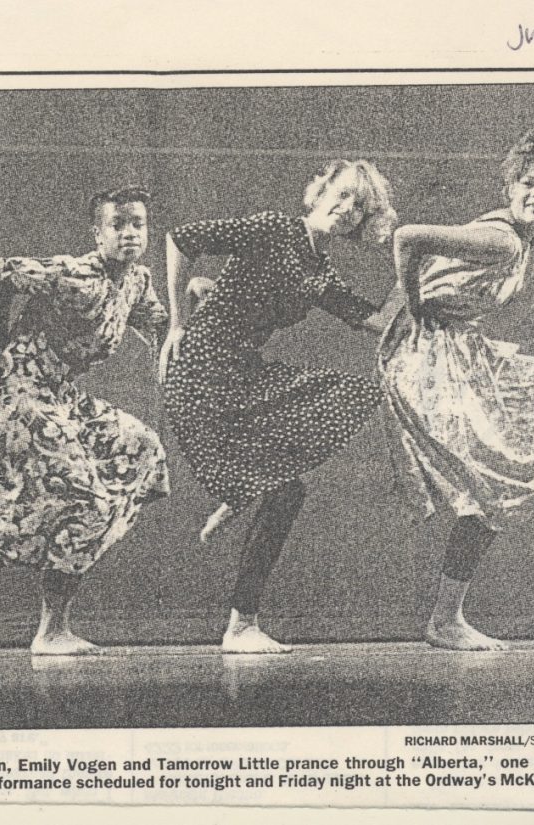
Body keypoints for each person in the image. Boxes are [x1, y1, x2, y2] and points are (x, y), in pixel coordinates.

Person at [377, 126, 534, 651]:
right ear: (510, 190)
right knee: (508, 468)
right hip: (431, 361)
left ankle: (447, 617)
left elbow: (485, 294)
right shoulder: (502, 239)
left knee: (494, 491)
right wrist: (416, 306)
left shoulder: (518, 246)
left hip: (455, 354)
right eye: (529, 184)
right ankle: (445, 620)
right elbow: (409, 239)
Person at [159, 161, 398, 654]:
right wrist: (177, 326)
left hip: (244, 376)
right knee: (286, 492)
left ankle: (242, 608)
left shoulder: (320, 270)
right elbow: (181, 239)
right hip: (203, 374)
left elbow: (376, 321)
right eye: (343, 195)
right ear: (320, 190)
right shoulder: (273, 228)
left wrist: (411, 271)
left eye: (359, 207)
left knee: (348, 399)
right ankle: (241, 626)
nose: (347, 209)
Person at [0, 185, 170, 655]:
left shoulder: (137, 280)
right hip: (13, 393)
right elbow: (2, 272)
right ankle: (51, 631)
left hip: (59, 395)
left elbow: (153, 319)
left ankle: (55, 623)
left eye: (138, 224)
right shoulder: (75, 275)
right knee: (87, 498)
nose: (130, 234)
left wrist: (168, 349)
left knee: (142, 446)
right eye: (118, 225)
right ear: (98, 234)